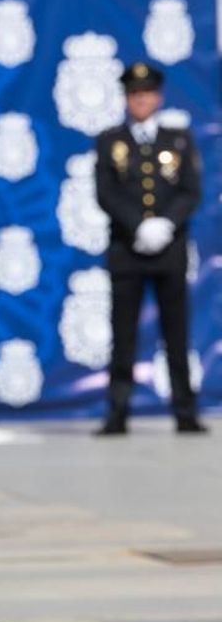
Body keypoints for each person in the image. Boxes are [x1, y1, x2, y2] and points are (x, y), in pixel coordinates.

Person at [93, 61, 207, 436]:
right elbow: (106, 191)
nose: (141, 100)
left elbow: (190, 190)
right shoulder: (111, 141)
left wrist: (166, 224)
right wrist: (137, 224)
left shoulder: (177, 139)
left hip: (169, 252)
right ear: (127, 99)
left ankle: (184, 410)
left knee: (176, 333)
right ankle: (118, 411)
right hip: (127, 250)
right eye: (134, 95)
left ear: (157, 97)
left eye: (147, 94)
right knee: (122, 333)